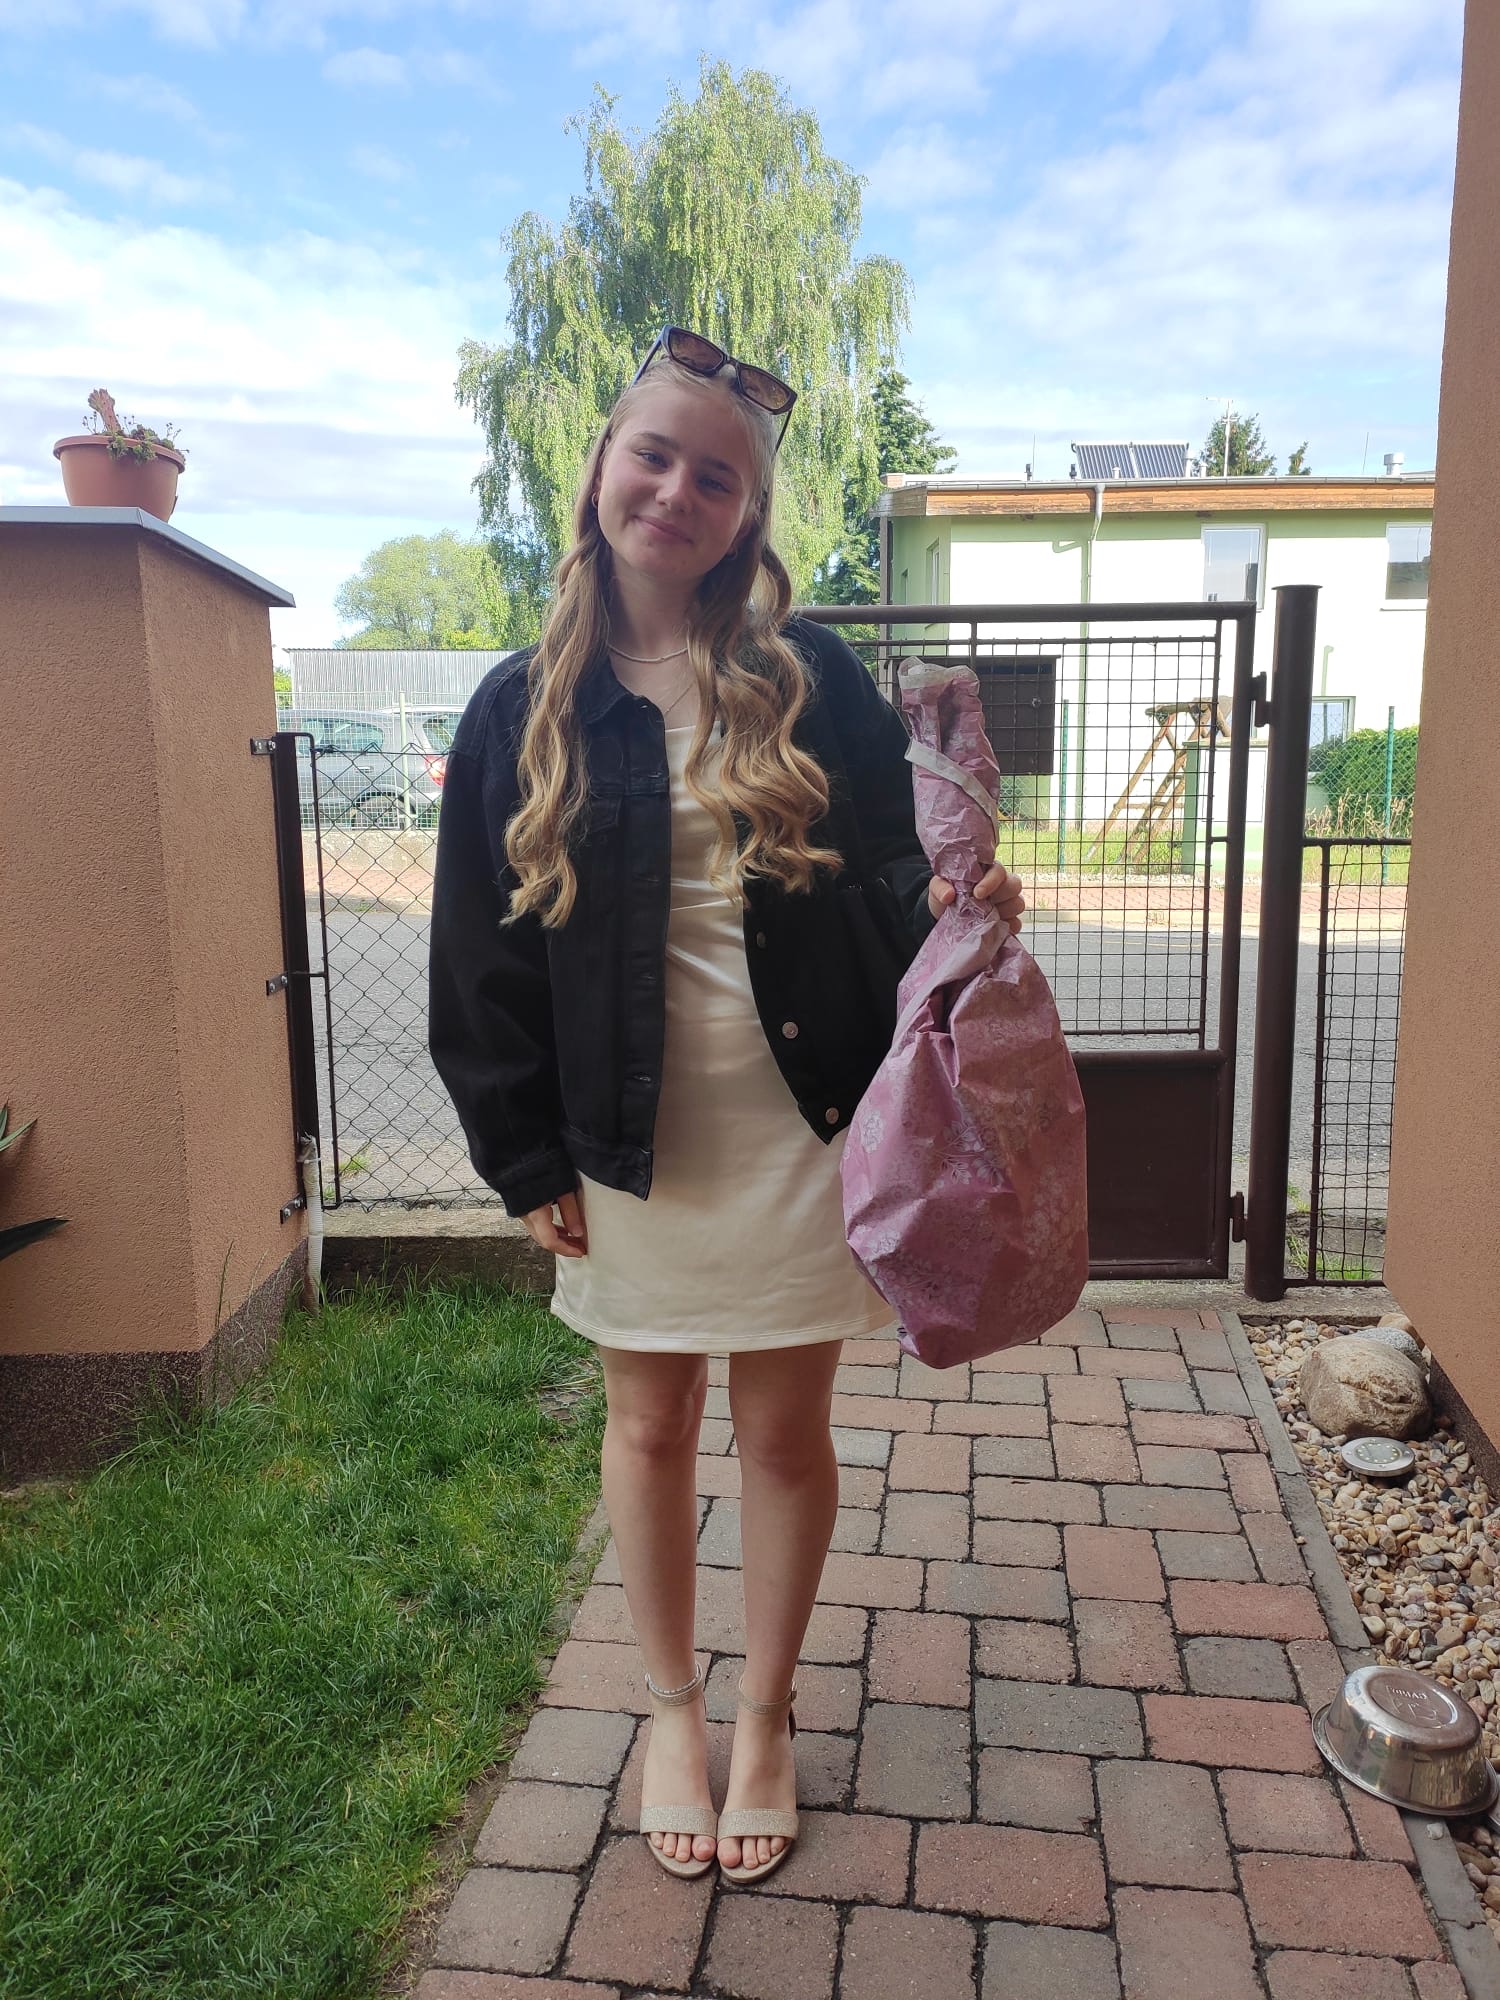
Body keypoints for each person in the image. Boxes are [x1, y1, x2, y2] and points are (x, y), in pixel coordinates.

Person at [428, 326, 1025, 1887]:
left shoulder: (808, 677)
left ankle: (763, 1715)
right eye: (656, 455)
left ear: (748, 513)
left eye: (717, 476)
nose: (677, 492)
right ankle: (668, 1711)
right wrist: (523, 1154)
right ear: (602, 468)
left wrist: (961, 899)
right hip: (623, 1143)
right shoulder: (519, 707)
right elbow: (476, 958)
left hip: (800, 1130)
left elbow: (893, 872)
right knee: (646, 1424)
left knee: (781, 1432)